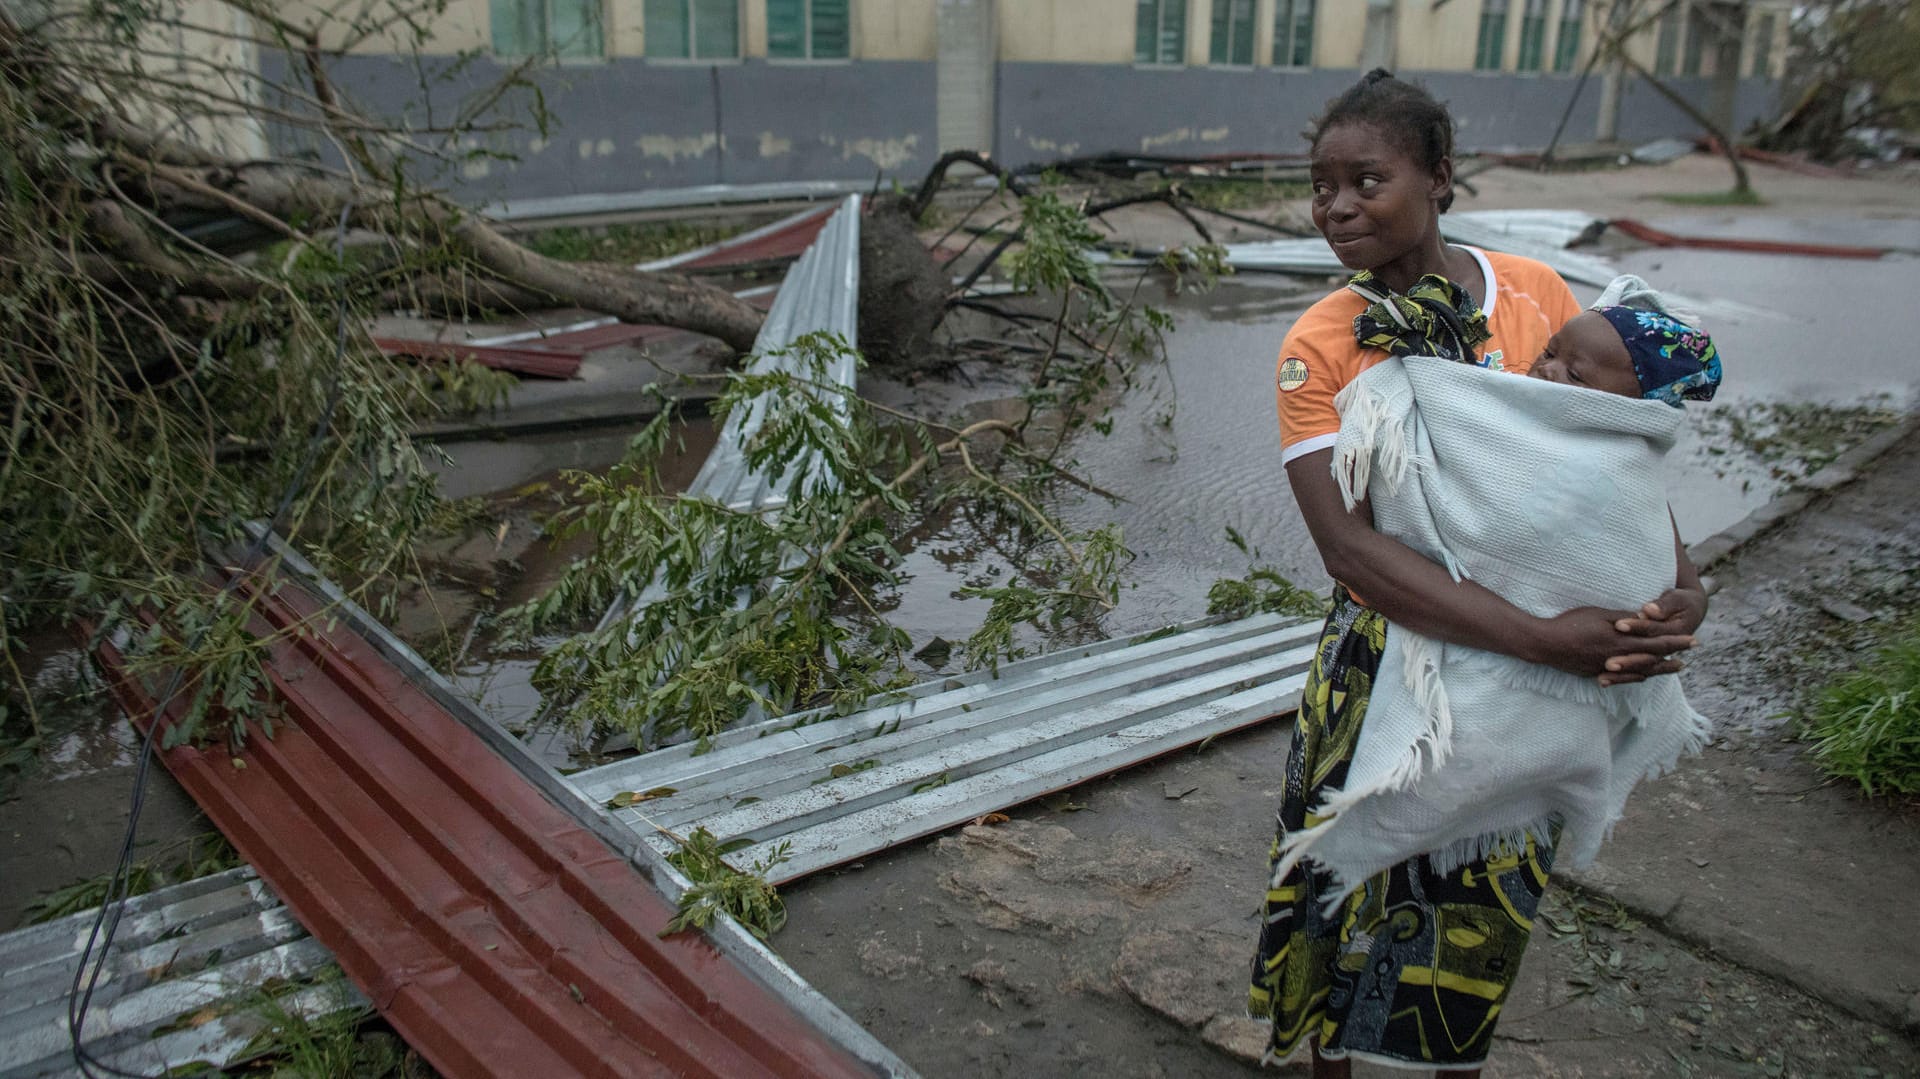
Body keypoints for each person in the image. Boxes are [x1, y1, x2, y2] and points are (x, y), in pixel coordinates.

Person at [1248, 69, 1708, 1077]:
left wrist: (1683, 577)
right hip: (1390, 669)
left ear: (1439, 178)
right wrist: (1547, 637)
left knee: (1475, 904)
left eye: (1365, 179)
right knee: (1348, 894)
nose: (1335, 205)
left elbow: (1615, 455)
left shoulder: (1537, 295)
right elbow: (1350, 548)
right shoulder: (1319, 344)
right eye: (1320, 185)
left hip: (1531, 690)